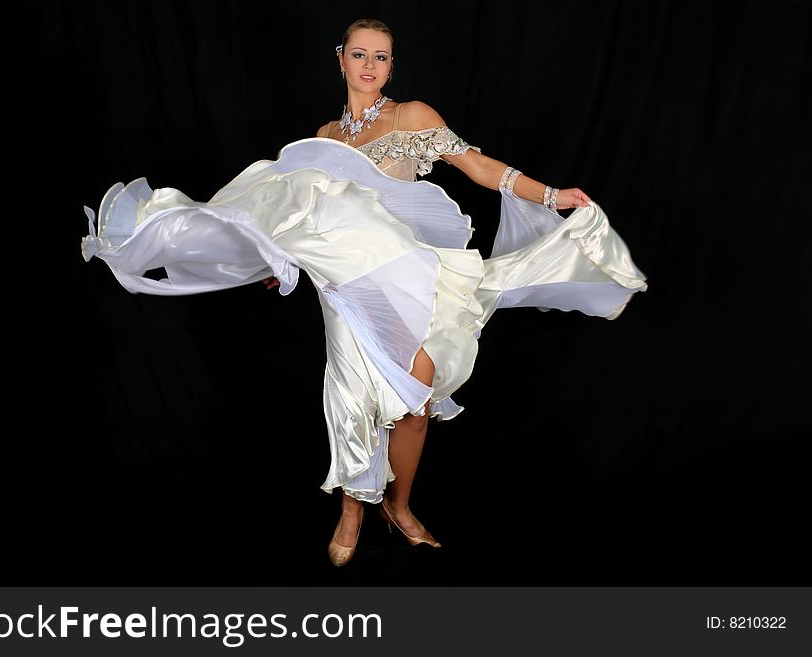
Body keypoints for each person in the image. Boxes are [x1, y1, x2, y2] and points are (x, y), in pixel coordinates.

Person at [81, 18, 647, 568]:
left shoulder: (409, 117)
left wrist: (550, 195)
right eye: (360, 54)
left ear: (391, 65)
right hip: (347, 286)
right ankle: (352, 511)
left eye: (381, 57)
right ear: (341, 58)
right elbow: (298, 219)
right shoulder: (324, 140)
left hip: (409, 272)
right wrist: (279, 262)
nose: (370, 66)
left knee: (416, 401)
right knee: (357, 397)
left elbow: (475, 165)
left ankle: (398, 505)